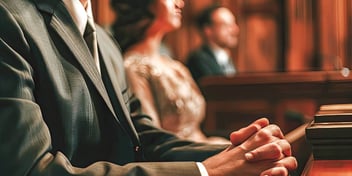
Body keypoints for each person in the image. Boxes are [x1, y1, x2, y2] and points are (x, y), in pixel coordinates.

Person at [0, 0, 297, 175]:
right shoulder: (10, 18)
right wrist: (206, 171)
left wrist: (244, 154)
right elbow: (32, 170)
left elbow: (142, 138)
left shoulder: (105, 42)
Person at [111, 0, 230, 144]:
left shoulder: (174, 66)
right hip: (180, 160)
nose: (180, 3)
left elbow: (197, 131)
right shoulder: (133, 67)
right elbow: (152, 142)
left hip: (202, 147)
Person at [186, 4, 239, 83]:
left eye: (233, 24)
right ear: (208, 30)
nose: (235, 30)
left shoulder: (226, 58)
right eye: (226, 25)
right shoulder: (198, 60)